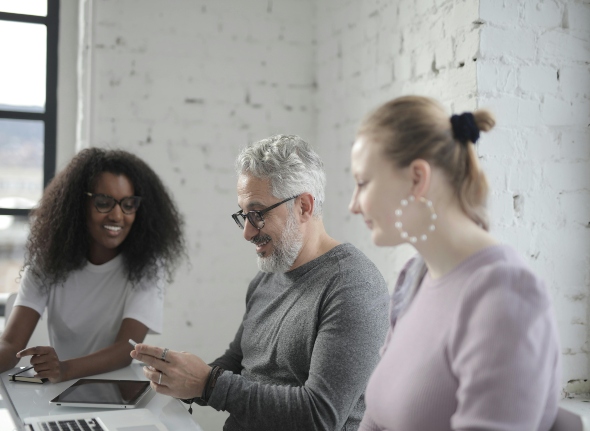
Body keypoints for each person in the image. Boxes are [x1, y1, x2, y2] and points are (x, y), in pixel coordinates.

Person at [131, 135, 389, 430]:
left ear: (304, 206)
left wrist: (206, 384)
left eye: (257, 214)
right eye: (244, 215)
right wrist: (180, 377)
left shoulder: (353, 286)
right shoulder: (268, 274)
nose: (247, 232)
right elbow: (240, 360)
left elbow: (320, 415)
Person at [348, 96, 561, 431]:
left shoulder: (507, 294)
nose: (353, 205)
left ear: (417, 178)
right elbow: (376, 417)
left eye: (362, 183)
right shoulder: (412, 278)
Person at [0, 148, 185, 383]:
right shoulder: (49, 261)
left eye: (128, 204)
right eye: (104, 203)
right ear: (78, 205)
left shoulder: (147, 267)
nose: (118, 215)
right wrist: (60, 371)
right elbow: (9, 344)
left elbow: (125, 350)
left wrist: (64, 369)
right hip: (61, 390)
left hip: (119, 391)